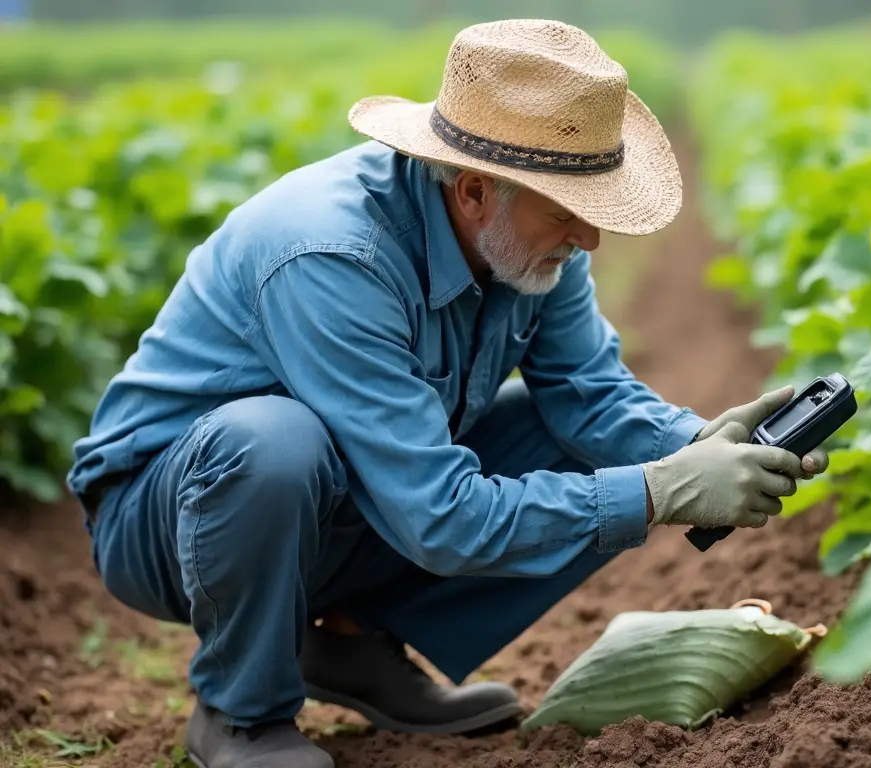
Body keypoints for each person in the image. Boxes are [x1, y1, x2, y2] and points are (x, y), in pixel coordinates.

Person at [66, 18, 830, 768]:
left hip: (344, 502)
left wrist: (697, 447)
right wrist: (661, 491)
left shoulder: (531, 240)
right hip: (171, 519)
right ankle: (239, 713)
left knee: (562, 438)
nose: (590, 238)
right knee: (274, 443)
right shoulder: (334, 254)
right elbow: (437, 516)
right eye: (570, 213)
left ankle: (345, 643)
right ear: (472, 191)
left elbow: (590, 398)